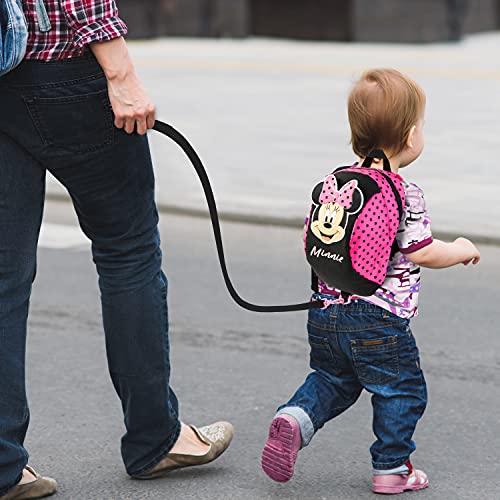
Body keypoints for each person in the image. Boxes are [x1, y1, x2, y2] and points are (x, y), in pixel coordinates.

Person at [0, 1, 233, 498]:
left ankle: (1, 465)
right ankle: (156, 439)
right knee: (128, 249)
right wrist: (121, 69)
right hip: (59, 69)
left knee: (3, 277)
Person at [260, 68, 481, 495]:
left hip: (325, 313)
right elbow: (422, 252)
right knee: (402, 390)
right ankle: (392, 468)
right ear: (412, 135)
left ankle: (294, 418)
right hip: (379, 322)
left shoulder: (336, 183)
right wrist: (461, 249)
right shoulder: (403, 191)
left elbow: (313, 238)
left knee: (331, 379)